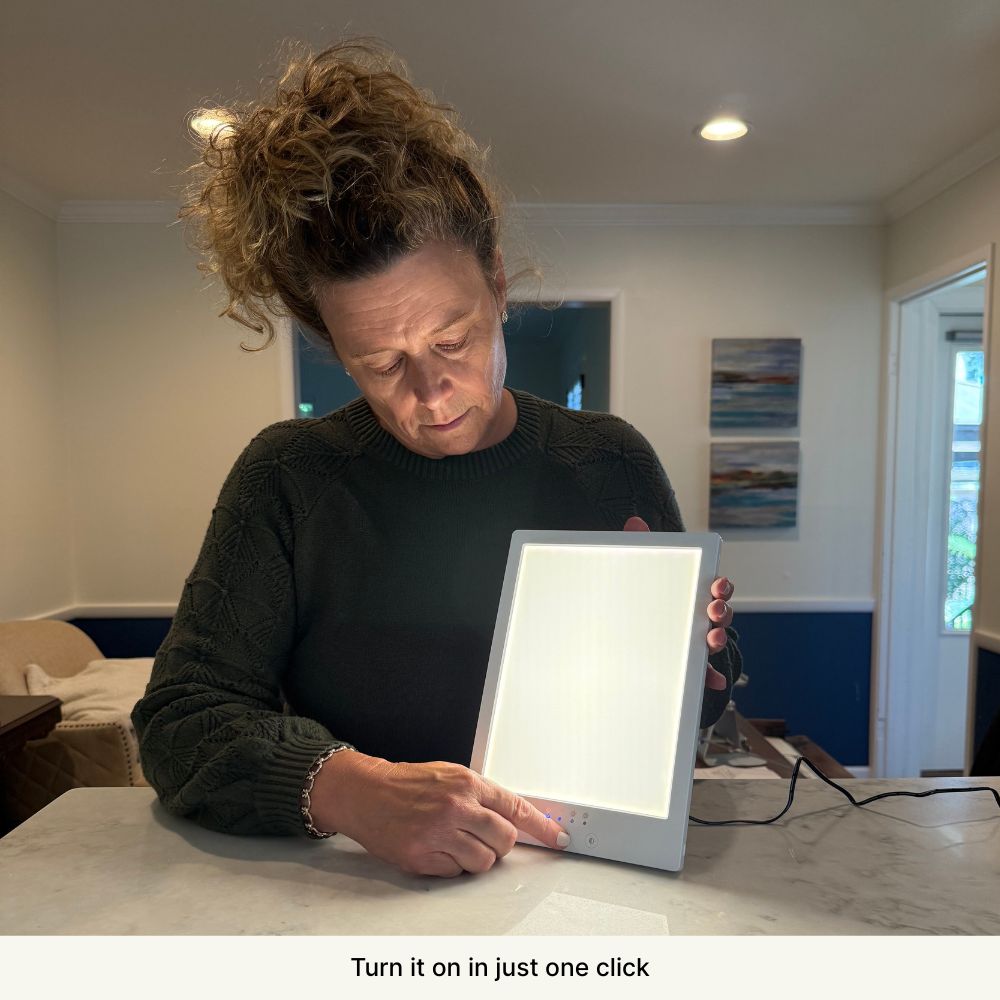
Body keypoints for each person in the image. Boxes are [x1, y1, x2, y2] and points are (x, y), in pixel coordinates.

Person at [132, 39, 741, 878]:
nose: (430, 393)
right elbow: (178, 718)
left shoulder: (609, 461)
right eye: (382, 363)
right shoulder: (289, 477)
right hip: (357, 893)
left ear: (497, 283)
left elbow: (687, 726)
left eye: (453, 340)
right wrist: (345, 789)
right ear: (331, 342)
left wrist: (697, 676)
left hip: (580, 884)